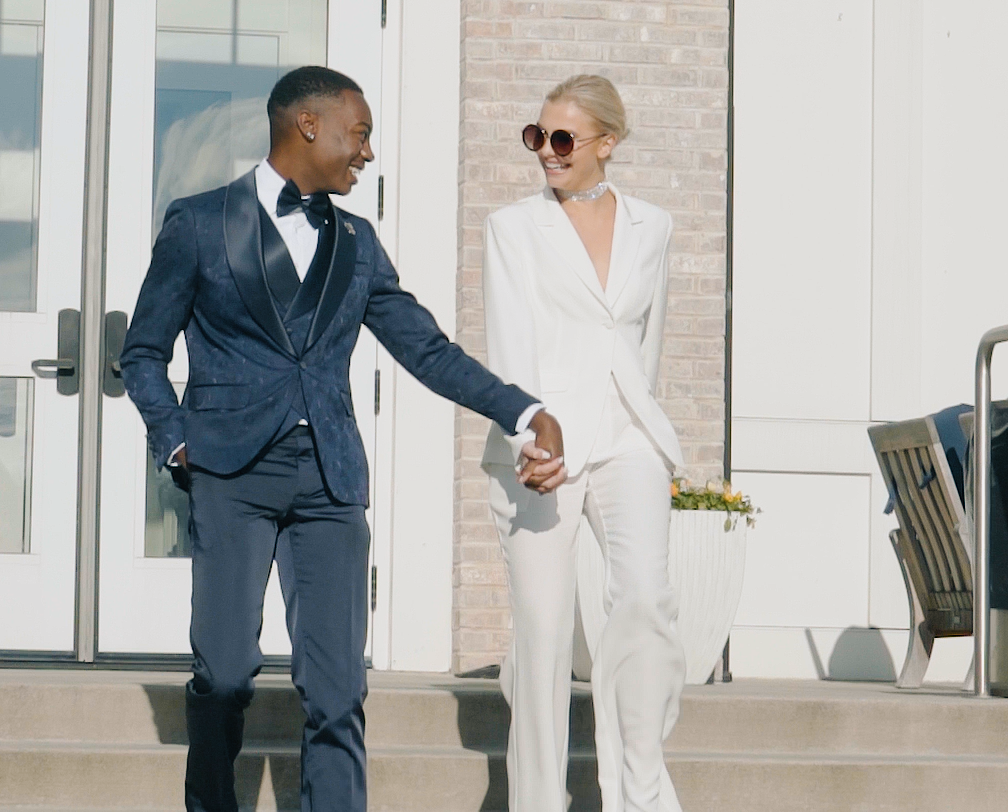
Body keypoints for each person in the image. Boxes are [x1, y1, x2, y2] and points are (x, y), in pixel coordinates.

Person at [120, 65, 567, 812]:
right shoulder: (197, 223)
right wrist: (175, 441)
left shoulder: (357, 243)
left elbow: (427, 350)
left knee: (337, 690)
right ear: (308, 125)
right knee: (226, 673)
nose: (365, 153)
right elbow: (142, 354)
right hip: (230, 474)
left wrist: (521, 410)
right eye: (358, 134)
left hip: (328, 480)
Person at [481, 74, 686, 812]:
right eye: (537, 136)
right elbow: (509, 343)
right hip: (543, 441)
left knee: (644, 604)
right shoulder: (512, 227)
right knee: (542, 632)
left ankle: (641, 795)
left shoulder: (653, 226)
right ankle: (537, 801)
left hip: (627, 434)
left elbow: (645, 344)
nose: (547, 152)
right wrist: (525, 433)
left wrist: (644, 420)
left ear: (608, 143)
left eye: (563, 138)